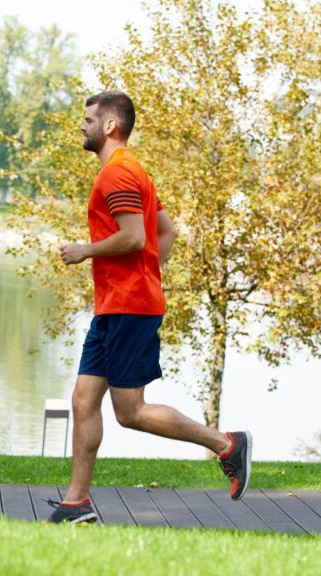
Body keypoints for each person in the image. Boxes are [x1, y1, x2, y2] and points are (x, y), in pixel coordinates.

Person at [45, 91, 252, 525]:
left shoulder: (116, 176)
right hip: (118, 306)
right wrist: (145, 276)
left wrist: (86, 251)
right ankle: (76, 502)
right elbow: (167, 234)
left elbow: (136, 237)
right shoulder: (134, 170)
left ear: (109, 126)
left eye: (88, 120)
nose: (81, 126)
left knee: (130, 412)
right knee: (84, 400)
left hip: (128, 308)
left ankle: (225, 444)